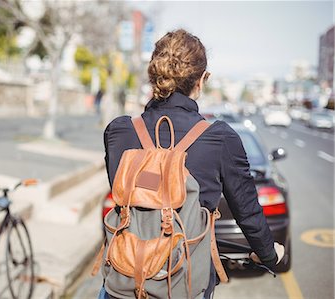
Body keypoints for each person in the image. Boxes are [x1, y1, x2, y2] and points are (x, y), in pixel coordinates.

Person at [102, 29, 284, 298]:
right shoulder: (220, 138)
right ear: (201, 80)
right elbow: (247, 212)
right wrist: (268, 254)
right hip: (183, 285)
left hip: (123, 280)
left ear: (155, 76)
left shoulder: (119, 131)